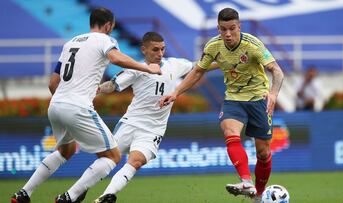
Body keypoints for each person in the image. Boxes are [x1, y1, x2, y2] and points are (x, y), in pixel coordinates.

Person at [10, 7, 161, 203]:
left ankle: (24, 193)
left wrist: (65, 102)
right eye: (112, 27)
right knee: (112, 156)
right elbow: (116, 58)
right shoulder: (105, 40)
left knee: (65, 151)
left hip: (56, 105)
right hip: (78, 106)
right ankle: (69, 197)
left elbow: (52, 83)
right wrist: (146, 68)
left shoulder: (70, 43)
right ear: (108, 25)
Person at [159, 7, 284, 203]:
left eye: (232, 28)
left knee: (263, 152)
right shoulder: (213, 46)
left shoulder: (253, 45)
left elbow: (276, 71)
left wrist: (274, 94)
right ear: (218, 28)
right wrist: (175, 92)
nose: (227, 34)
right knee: (229, 131)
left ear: (239, 26)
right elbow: (198, 72)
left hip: (258, 98)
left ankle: (259, 196)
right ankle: (245, 181)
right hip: (233, 99)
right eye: (223, 29)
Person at [92, 31, 209, 203]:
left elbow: (199, 65)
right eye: (155, 50)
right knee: (107, 160)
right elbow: (112, 85)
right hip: (131, 123)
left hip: (153, 129)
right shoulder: (135, 69)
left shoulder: (174, 65)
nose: (160, 54)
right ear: (144, 50)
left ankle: (105, 197)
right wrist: (97, 89)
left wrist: (223, 63)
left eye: (162, 49)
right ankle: (77, 191)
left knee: (136, 161)